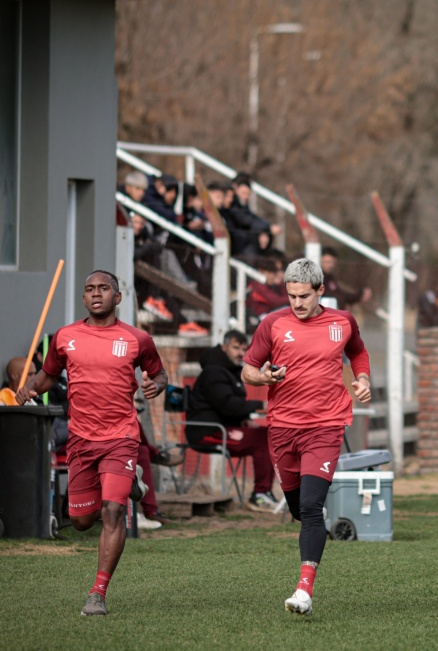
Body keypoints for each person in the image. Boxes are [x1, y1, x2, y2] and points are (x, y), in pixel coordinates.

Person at [15, 270, 168, 616]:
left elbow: (160, 374)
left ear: (117, 297)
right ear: (83, 298)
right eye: (89, 289)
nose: (95, 293)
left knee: (113, 511)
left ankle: (97, 594)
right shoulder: (65, 337)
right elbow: (49, 375)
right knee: (82, 521)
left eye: (103, 288)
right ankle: (130, 483)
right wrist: (30, 389)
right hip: (81, 439)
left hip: (121, 437)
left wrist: (156, 386)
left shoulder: (137, 339)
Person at [241, 258, 372, 616]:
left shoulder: (342, 322)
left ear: (320, 291)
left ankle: (304, 590)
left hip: (326, 426)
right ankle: (313, 519)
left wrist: (362, 380)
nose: (297, 303)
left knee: (312, 508)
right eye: (292, 295)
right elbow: (248, 369)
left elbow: (357, 351)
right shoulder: (272, 323)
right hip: (283, 428)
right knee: (301, 510)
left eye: (304, 296)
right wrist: (265, 379)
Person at [187, 330, 278, 511]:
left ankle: (264, 493)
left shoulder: (231, 372)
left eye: (244, 349)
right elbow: (227, 405)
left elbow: (231, 407)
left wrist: (244, 419)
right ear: (224, 347)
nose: (240, 353)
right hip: (207, 431)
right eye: (236, 347)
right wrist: (261, 404)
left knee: (269, 434)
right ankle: (259, 495)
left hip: (225, 427)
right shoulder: (213, 372)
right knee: (262, 439)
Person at [320, 246, 372, 310]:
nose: (331, 265)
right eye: (328, 262)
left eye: (333, 263)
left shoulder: (330, 278)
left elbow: (340, 294)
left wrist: (359, 295)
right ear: (320, 260)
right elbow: (334, 296)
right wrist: (359, 296)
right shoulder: (317, 279)